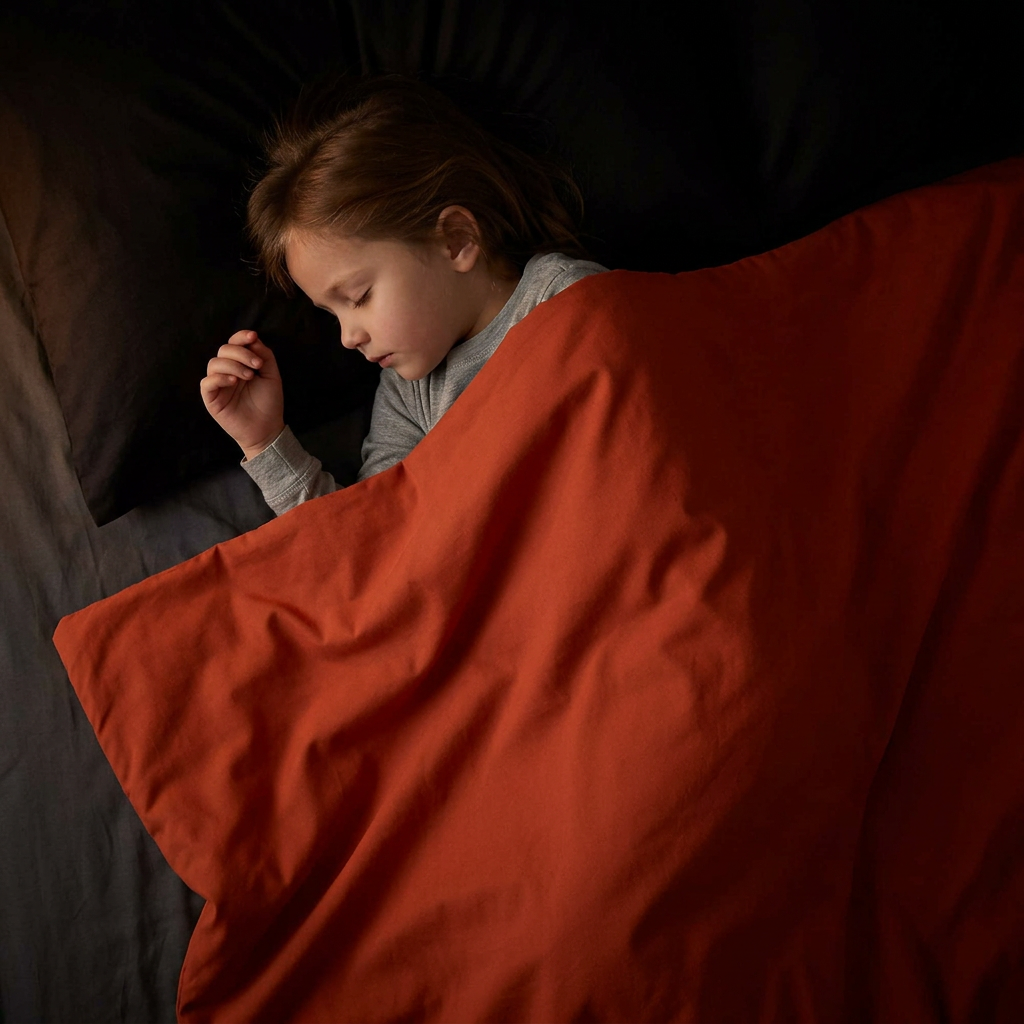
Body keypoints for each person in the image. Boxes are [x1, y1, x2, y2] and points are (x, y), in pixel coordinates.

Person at [200, 75, 607, 515]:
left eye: (358, 297)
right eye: (330, 313)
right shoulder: (407, 394)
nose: (348, 337)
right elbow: (372, 544)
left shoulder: (565, 300)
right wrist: (265, 442)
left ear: (456, 240)